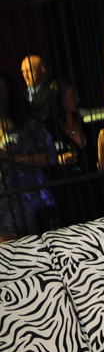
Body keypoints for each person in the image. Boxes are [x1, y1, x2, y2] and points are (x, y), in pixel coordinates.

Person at [0, 70, 58, 240]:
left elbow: (51, 157)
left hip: (29, 201)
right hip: (4, 203)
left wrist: (10, 156)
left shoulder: (28, 121)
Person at [20, 55, 51, 122]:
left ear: (42, 70)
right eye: (23, 71)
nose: (25, 76)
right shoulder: (24, 95)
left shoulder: (51, 90)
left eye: (28, 71)